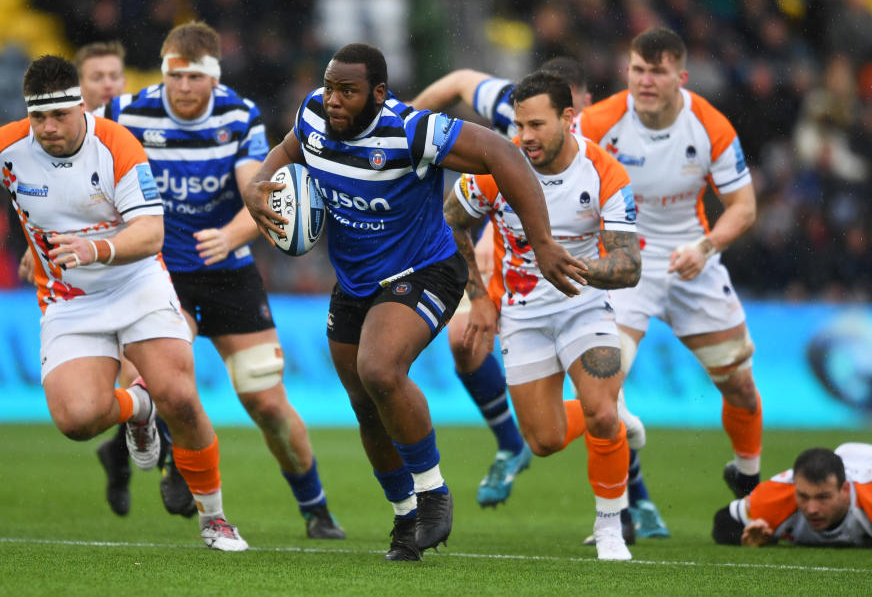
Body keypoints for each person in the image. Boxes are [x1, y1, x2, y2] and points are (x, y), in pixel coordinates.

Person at [244, 43, 587, 561]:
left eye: (348, 91)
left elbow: (504, 153)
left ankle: (433, 493)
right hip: (356, 281)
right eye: (330, 86)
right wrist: (257, 186)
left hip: (425, 271)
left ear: (378, 95)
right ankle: (406, 520)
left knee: (379, 369)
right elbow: (290, 150)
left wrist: (541, 241)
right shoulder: (314, 111)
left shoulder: (412, 131)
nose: (333, 99)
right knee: (365, 406)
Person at [0, 54, 246, 552]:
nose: (48, 128)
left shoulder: (117, 145)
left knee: (180, 397)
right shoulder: (4, 148)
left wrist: (96, 248)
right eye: (38, 118)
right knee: (76, 420)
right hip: (69, 299)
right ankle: (139, 408)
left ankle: (215, 518)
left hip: (136, 283)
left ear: (80, 106)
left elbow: (151, 233)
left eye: (59, 115)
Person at [97, 21, 345, 539]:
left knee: (267, 401)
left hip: (228, 273)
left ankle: (316, 508)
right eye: (175, 75)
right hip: (157, 273)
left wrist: (233, 235)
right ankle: (171, 464)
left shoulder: (239, 114)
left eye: (194, 76)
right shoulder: (126, 112)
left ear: (214, 77)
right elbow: (74, 164)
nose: (183, 87)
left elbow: (256, 187)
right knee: (152, 379)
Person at [413, 58, 668, 540]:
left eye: (536, 125)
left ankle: (610, 529)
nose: (525, 135)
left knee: (600, 411)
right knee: (545, 440)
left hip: (583, 303)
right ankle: (615, 415)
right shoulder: (498, 165)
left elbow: (628, 266)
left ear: (569, 119)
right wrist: (482, 300)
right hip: (523, 312)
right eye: (518, 124)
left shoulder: (605, 173)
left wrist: (575, 268)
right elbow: (451, 220)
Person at [575, 27, 762, 500]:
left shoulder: (710, 126)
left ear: (681, 75)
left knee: (738, 383)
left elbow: (743, 206)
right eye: (638, 70)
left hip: (692, 258)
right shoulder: (599, 122)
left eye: (657, 72)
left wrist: (706, 247)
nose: (645, 81)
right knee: (601, 395)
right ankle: (615, 515)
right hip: (623, 261)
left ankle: (747, 474)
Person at [713, 443, 872, 547]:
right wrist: (744, 537)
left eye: (823, 497)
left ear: (845, 490)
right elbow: (723, 520)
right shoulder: (780, 494)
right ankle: (747, 492)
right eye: (803, 496)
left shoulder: (867, 496)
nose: (811, 509)